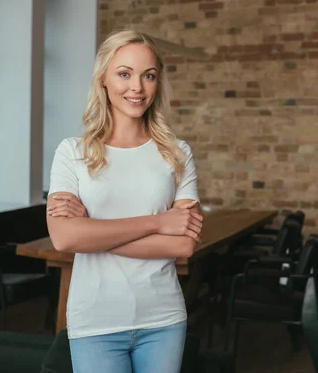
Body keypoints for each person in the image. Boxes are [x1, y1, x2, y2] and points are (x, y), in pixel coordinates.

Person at [45, 30, 203, 372]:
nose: (137, 87)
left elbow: (184, 246)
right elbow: (65, 239)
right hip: (95, 322)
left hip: (163, 318)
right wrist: (159, 223)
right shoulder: (72, 153)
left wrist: (92, 230)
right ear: (104, 78)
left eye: (148, 76)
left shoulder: (177, 154)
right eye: (124, 73)